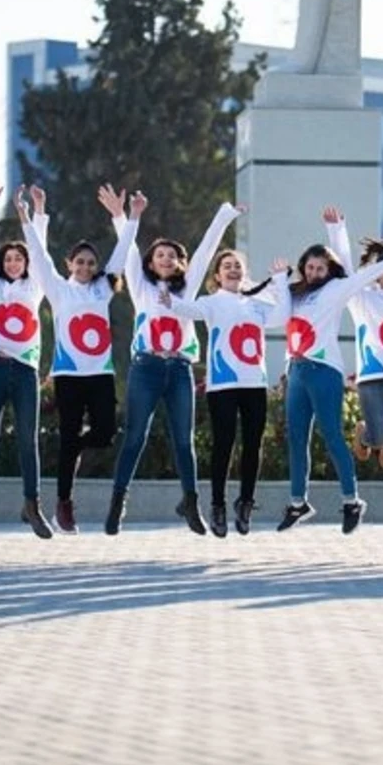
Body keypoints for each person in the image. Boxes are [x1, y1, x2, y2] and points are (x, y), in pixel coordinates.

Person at [98, 188, 242, 536]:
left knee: (184, 440)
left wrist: (224, 215)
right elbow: (128, 252)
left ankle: (191, 504)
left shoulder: (187, 290)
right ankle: (118, 505)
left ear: (181, 264)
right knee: (135, 437)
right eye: (159, 255)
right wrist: (124, 216)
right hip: (146, 368)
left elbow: (207, 250)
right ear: (151, 263)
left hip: (179, 369)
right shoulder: (141, 286)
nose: (165, 259)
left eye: (172, 256)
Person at [274, 227, 383, 535]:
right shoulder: (295, 293)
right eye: (309, 267)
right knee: (296, 438)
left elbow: (366, 274)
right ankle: (298, 502)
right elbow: (276, 318)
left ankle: (352, 501)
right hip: (297, 370)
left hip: (325, 371)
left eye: (320, 267)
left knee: (332, 435)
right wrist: (276, 283)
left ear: (328, 270)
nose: (313, 272)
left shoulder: (337, 288)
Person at [22, 184, 139, 534]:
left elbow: (120, 254)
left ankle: (72, 449)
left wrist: (129, 216)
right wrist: (32, 216)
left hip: (100, 374)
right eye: (80, 262)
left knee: (104, 433)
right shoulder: (57, 289)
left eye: (91, 262)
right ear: (70, 264)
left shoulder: (104, 287)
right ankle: (63, 504)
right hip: (69, 376)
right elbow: (39, 257)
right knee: (69, 435)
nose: (86, 266)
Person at [162, 250, 291, 536]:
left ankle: (245, 503)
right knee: (224, 445)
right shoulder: (210, 303)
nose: (233, 270)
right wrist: (168, 299)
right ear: (217, 275)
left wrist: (281, 281)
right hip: (222, 386)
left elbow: (283, 315)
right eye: (227, 266)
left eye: (238, 266)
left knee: (253, 445)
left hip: (254, 384)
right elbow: (185, 309)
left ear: (244, 273)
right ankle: (217, 506)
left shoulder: (256, 304)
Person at [0, 184, 58, 538]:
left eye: (19, 259)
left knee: (27, 440)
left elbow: (39, 247)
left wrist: (38, 211)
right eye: (8, 260)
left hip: (24, 372)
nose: (13, 263)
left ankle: (33, 506)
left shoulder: (34, 288)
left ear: (27, 264)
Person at [322, 208, 383, 470]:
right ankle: (365, 433)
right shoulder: (363, 298)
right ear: (377, 272)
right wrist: (337, 230)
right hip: (373, 377)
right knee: (378, 437)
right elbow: (345, 272)